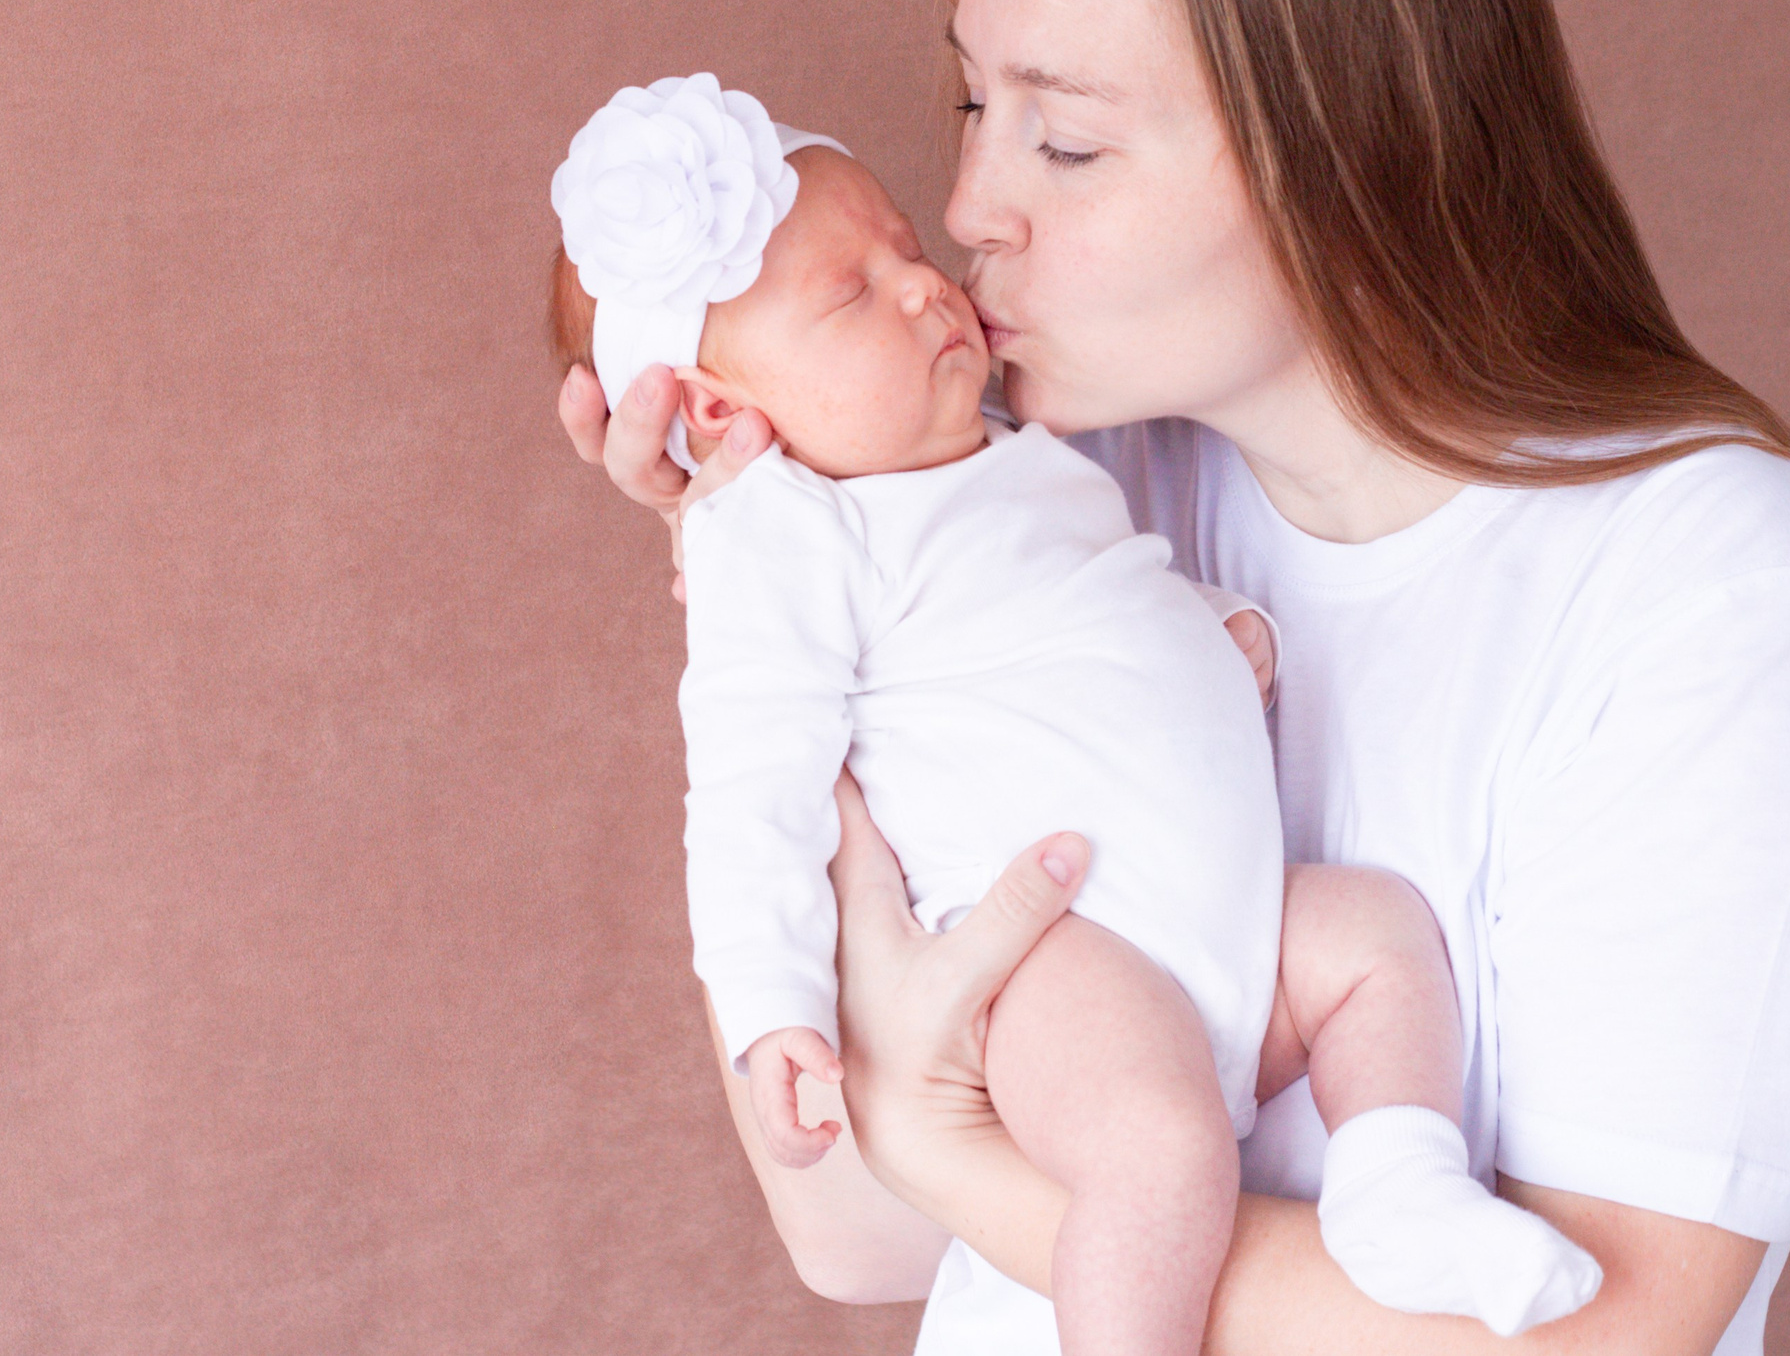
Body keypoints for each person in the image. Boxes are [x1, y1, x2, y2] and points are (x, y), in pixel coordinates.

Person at [559, 0, 1790, 1356]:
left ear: (1344, 149)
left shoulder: (1718, 604)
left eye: (1063, 136)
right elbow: (850, 1231)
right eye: (973, 103)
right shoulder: (1060, 506)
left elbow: (1589, 1344)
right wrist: (748, 554)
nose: (976, 205)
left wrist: (952, 1148)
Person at [545, 74, 1602, 1353]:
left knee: (1378, 937)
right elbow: (749, 790)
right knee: (1157, 1153)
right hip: (1056, 963)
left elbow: (1074, 618)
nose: (928, 285)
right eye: (851, 295)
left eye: (903, 253)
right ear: (718, 411)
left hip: (1221, 921)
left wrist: (1210, 632)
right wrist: (777, 1008)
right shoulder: (781, 533)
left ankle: (1399, 1186)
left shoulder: (1016, 447)